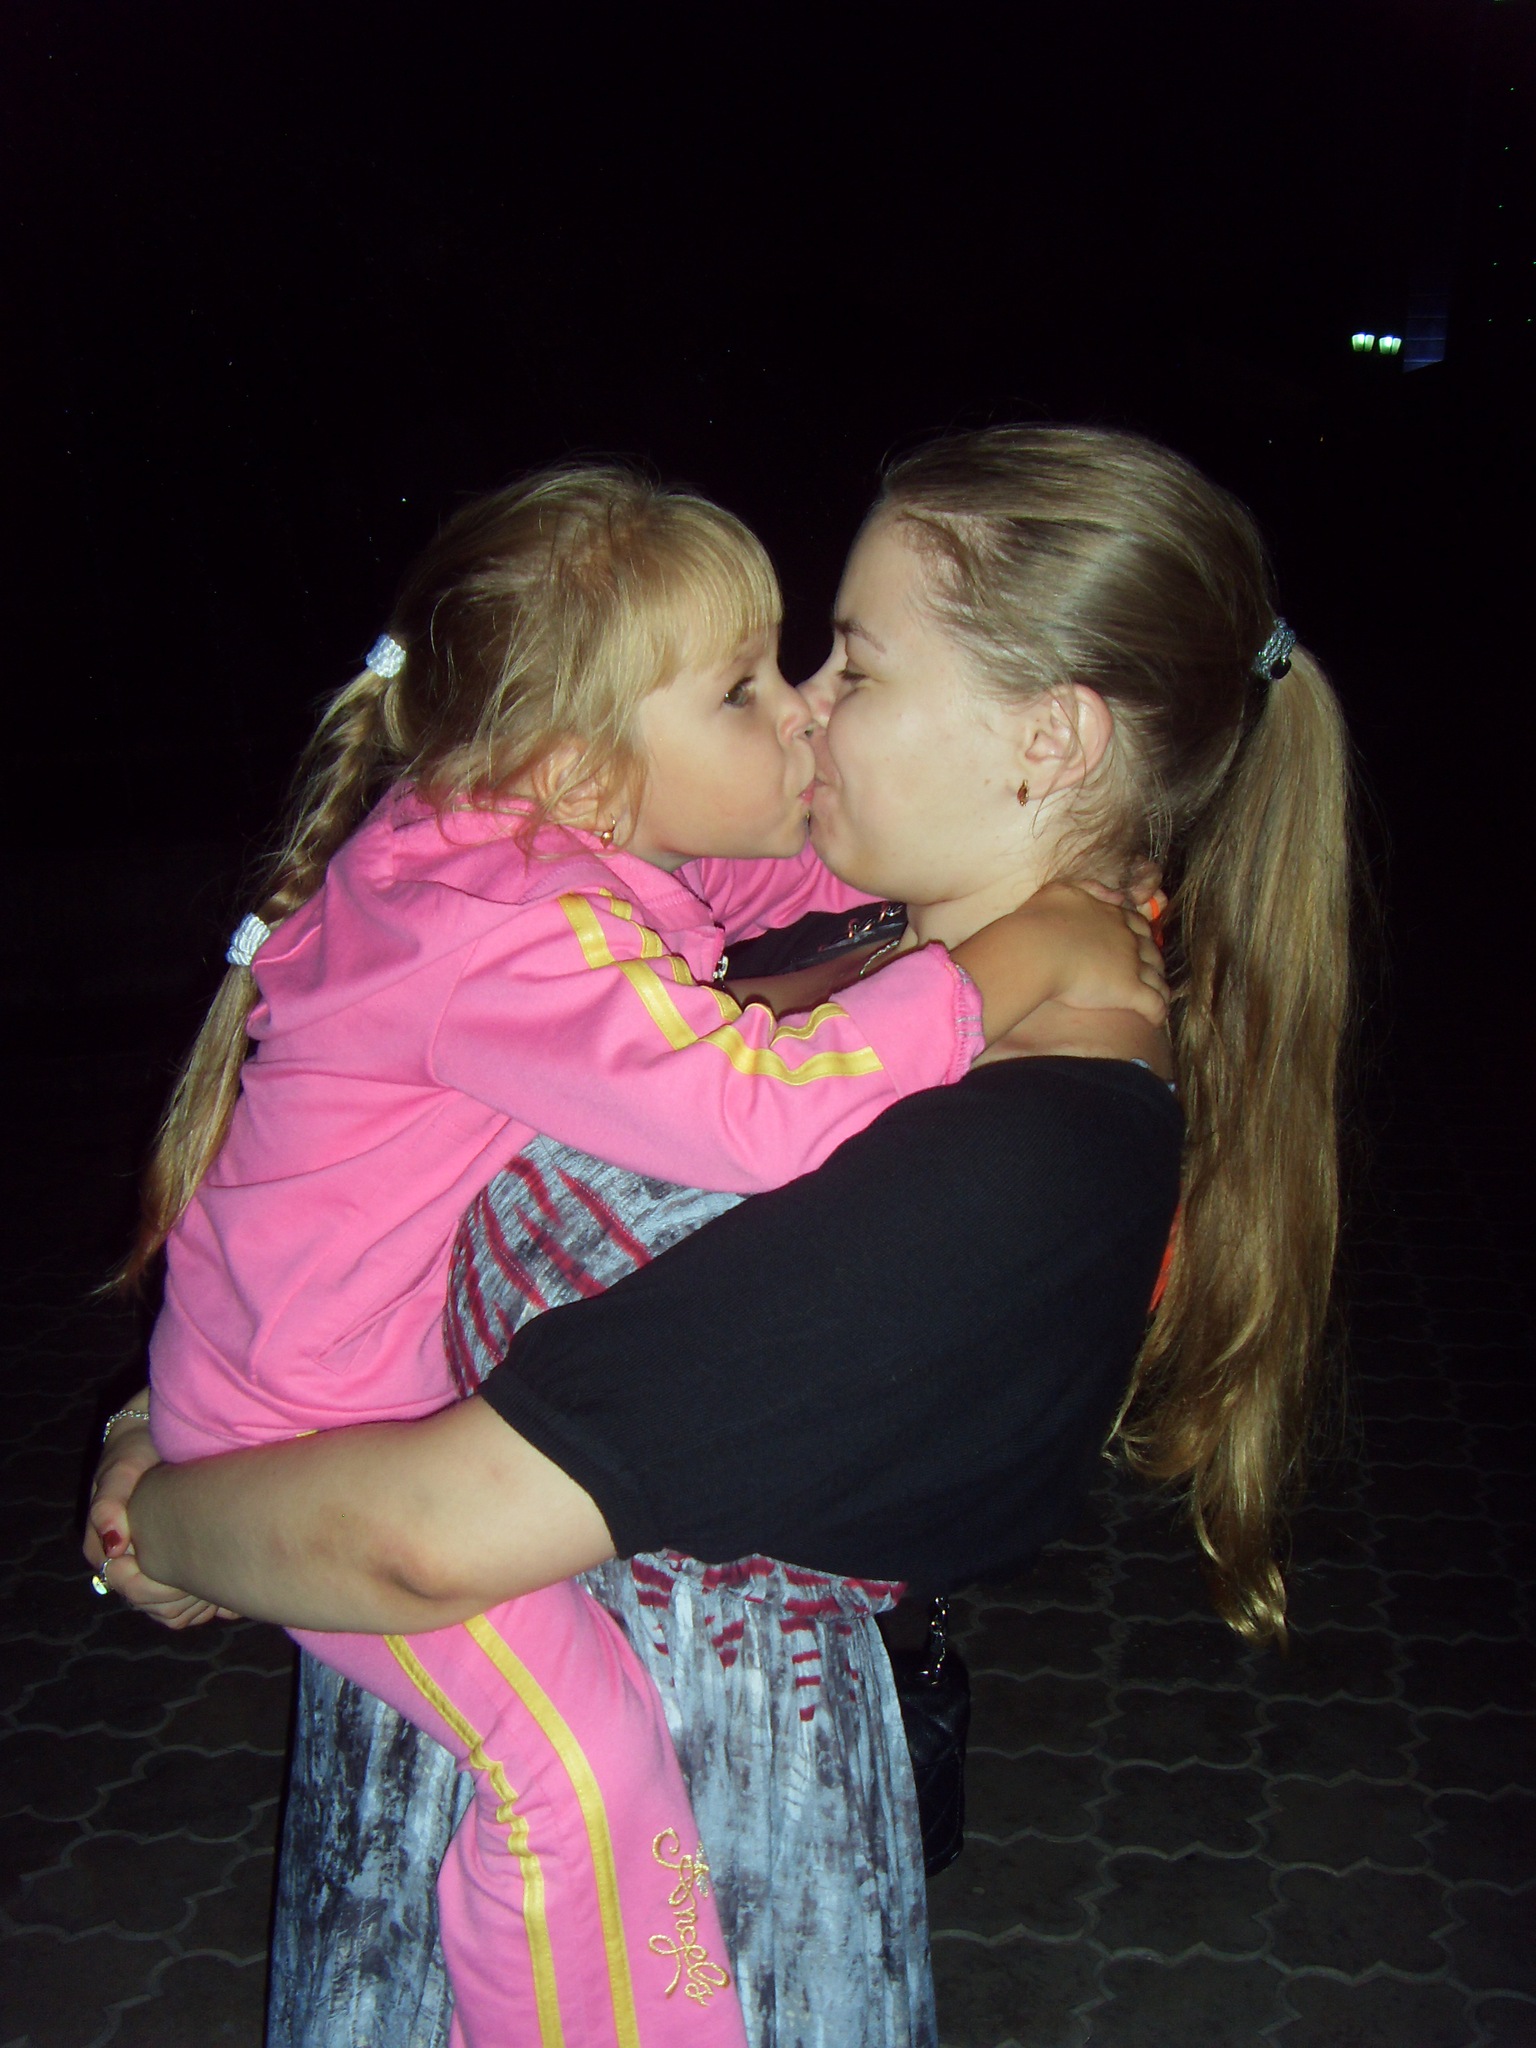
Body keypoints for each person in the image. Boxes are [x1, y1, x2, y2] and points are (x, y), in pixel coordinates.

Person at [90, 426, 1350, 2046]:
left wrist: (165, 1520)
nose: (808, 706)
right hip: (437, 1795)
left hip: (687, 1875)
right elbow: (382, 1192)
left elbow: (423, 1536)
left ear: (1051, 736)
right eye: (788, 669)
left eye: (855, 665)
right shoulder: (848, 943)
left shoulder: (1022, 1149)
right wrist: (179, 1401)